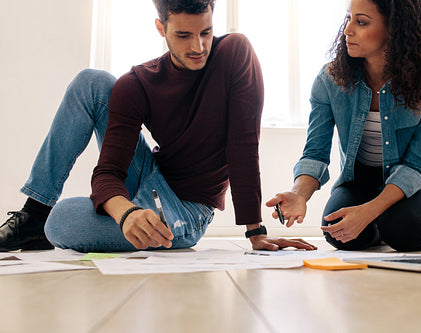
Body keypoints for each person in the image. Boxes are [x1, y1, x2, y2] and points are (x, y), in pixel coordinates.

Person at [0, 0, 316, 253]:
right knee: (93, 82)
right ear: (160, 28)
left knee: (63, 221)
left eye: (205, 32)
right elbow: (109, 172)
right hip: (151, 175)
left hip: (186, 209)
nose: (199, 47)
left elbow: (244, 146)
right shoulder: (138, 83)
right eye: (183, 35)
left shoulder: (234, 54)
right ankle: (33, 213)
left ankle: (53, 221)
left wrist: (255, 231)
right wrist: (125, 212)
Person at [266, 0, 421, 252]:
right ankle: (379, 230)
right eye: (349, 19)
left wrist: (369, 211)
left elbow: (417, 164)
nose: (347, 30)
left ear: (394, 29)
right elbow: (315, 154)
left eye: (361, 21)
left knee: (407, 231)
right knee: (337, 233)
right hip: (360, 178)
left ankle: (393, 222)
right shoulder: (329, 80)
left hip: (415, 177)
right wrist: (299, 194)